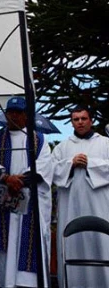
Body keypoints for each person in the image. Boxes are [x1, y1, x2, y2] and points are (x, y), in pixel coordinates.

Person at [0, 96, 53, 288]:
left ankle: (24, 283)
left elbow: (44, 166)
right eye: (10, 112)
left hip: (27, 201)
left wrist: (19, 181)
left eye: (18, 113)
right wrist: (6, 178)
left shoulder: (39, 140)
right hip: (1, 202)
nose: (13, 116)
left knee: (24, 241)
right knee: (1, 248)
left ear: (26, 115)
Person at [51, 107, 109, 288]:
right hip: (71, 205)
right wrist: (70, 163)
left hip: (99, 203)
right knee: (71, 242)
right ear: (72, 122)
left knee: (102, 242)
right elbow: (51, 170)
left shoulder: (105, 143)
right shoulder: (63, 147)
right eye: (76, 119)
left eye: (84, 118)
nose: (80, 122)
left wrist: (90, 164)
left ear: (91, 120)